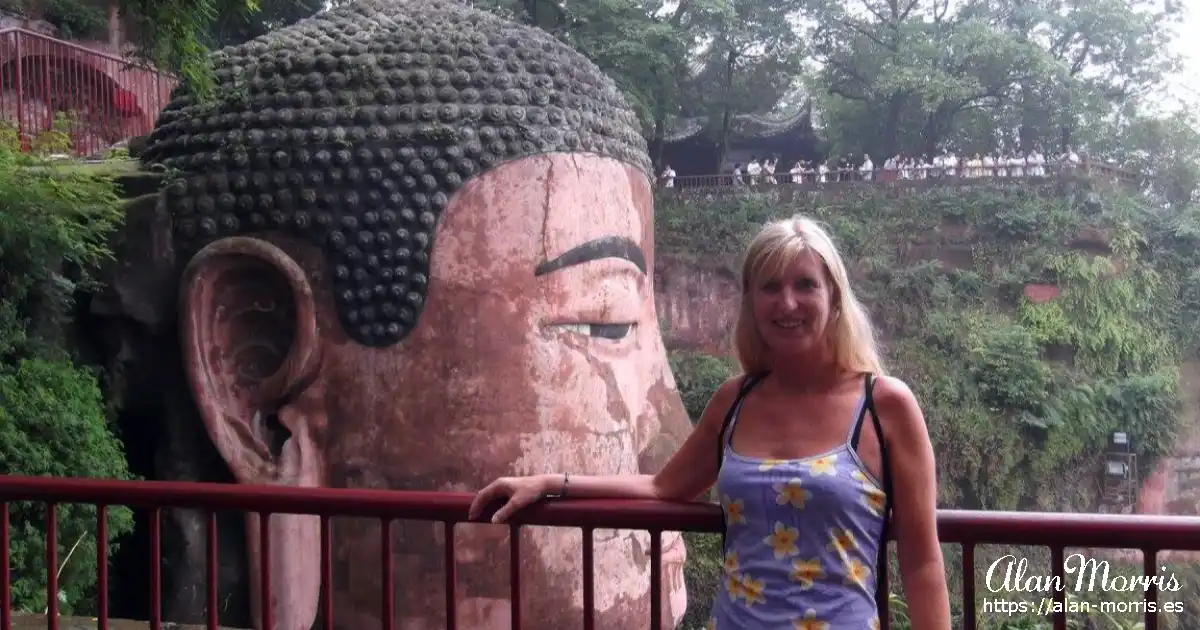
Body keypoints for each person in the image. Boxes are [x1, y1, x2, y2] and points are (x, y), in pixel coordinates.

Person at [470, 215, 952, 628]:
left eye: (805, 284)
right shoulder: (736, 401)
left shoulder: (884, 406)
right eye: (770, 287)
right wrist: (551, 483)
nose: (787, 303)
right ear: (751, 302)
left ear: (835, 298)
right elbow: (664, 487)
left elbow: (922, 559)